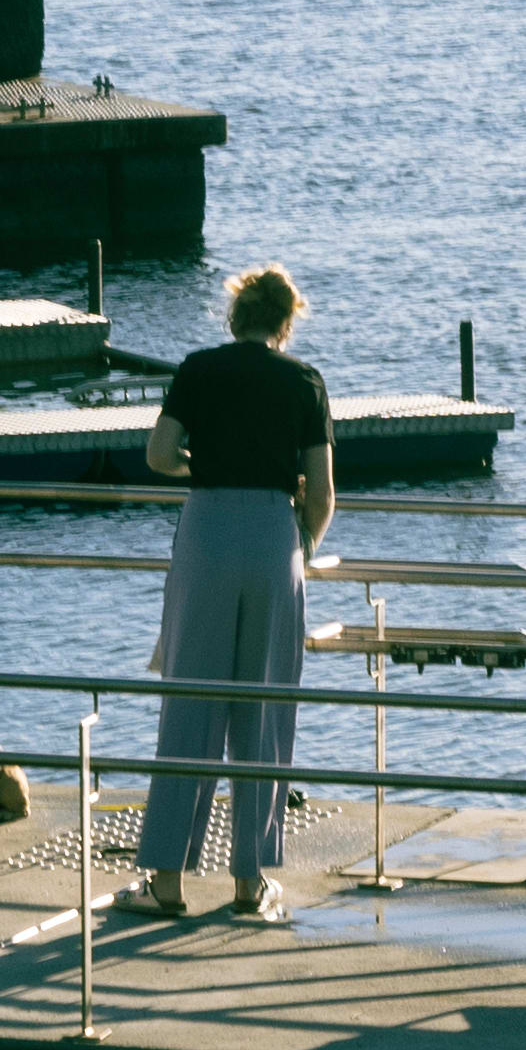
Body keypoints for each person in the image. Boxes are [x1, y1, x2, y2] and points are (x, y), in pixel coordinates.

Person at [128, 267, 338, 922]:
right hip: (274, 535)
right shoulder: (304, 381)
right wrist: (300, 539)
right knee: (264, 709)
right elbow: (324, 493)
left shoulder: (197, 369)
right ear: (286, 323)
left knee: (190, 702)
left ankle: (166, 880)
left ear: (234, 315)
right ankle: (250, 884)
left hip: (208, 528)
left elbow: (159, 455)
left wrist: (208, 466)